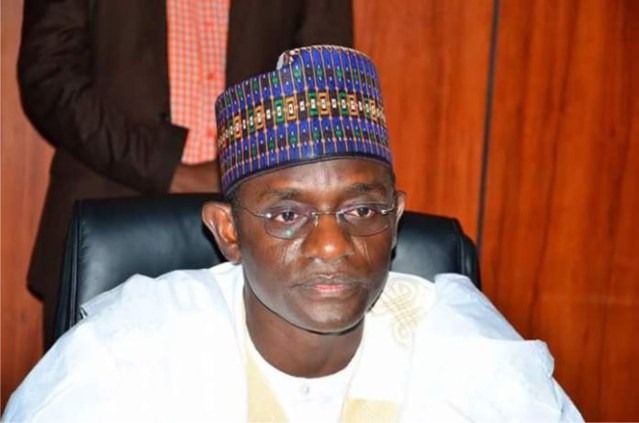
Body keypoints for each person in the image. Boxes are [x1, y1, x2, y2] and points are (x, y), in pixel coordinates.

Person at [3, 45, 583, 422]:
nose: (332, 246)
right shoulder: (133, 353)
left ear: (396, 218)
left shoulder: (463, 350)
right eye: (287, 215)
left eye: (362, 211)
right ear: (228, 231)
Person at [18, 0, 353, 348]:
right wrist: (166, 169)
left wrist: (245, 166)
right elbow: (49, 74)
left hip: (266, 226)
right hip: (108, 224)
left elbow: (326, 81)